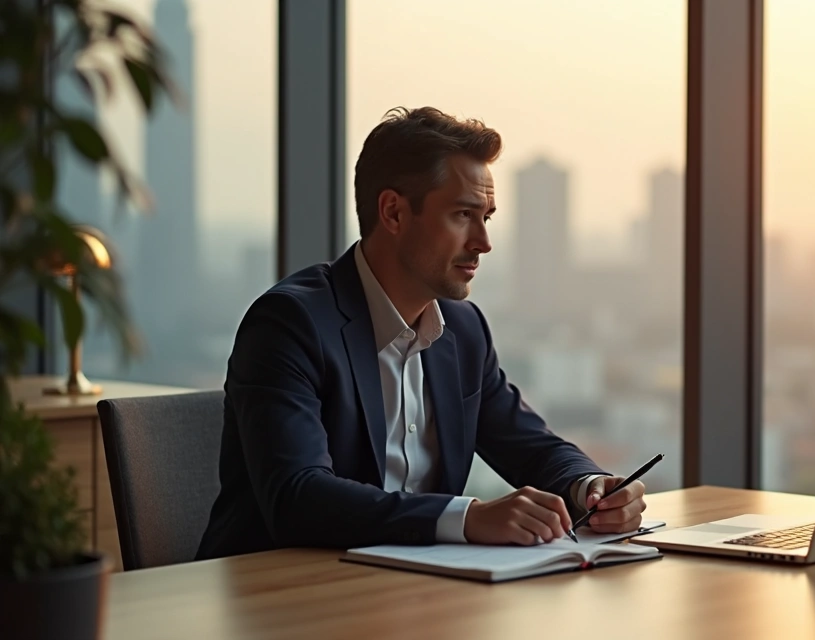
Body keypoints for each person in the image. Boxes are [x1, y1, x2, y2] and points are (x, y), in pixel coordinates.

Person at [196, 107, 647, 560]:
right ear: (393, 212)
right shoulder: (290, 324)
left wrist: (591, 487)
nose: (482, 242)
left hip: (411, 593)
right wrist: (465, 518)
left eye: (486, 217)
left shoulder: (463, 330)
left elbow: (529, 443)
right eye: (462, 215)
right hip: (278, 598)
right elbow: (298, 497)